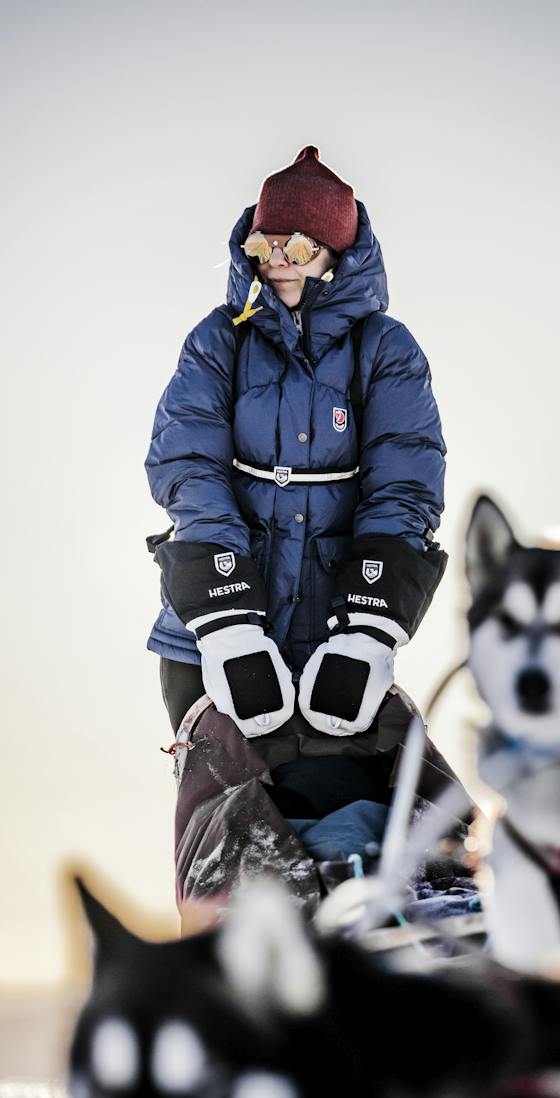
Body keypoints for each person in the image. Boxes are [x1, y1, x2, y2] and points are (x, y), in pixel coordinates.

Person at [145, 145, 447, 739]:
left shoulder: (386, 349)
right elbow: (188, 464)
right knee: (226, 788)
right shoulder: (218, 340)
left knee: (358, 790)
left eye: (300, 247)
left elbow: (405, 484)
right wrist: (228, 622)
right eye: (264, 246)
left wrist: (366, 632)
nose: (278, 261)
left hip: (334, 637)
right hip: (213, 635)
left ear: (337, 254)